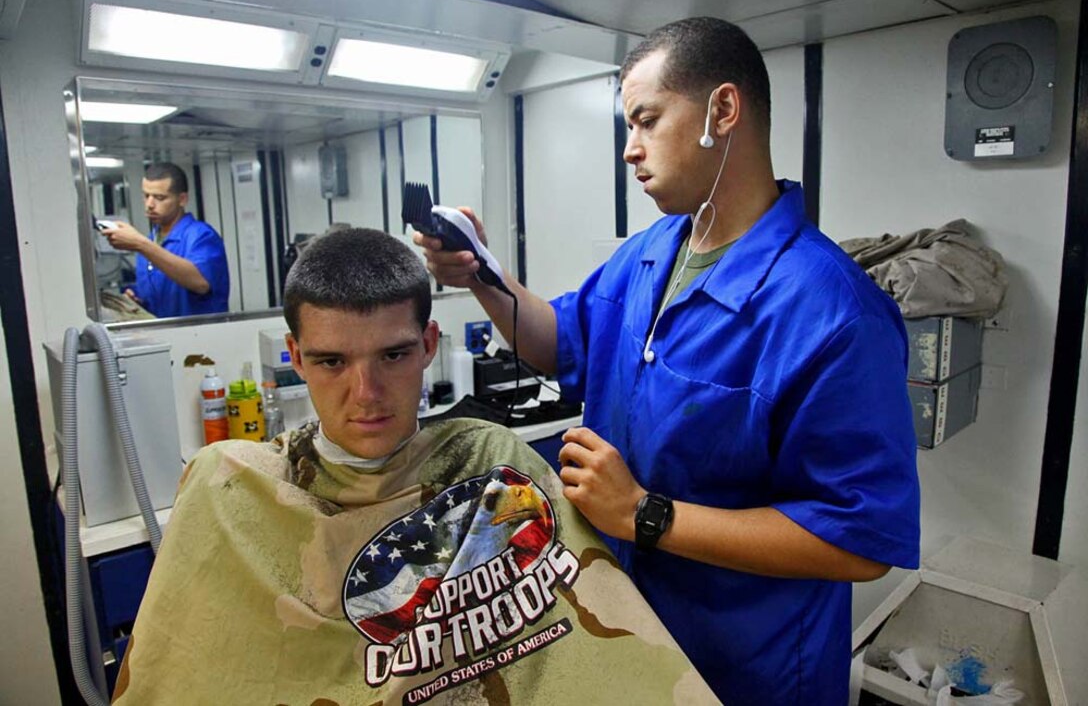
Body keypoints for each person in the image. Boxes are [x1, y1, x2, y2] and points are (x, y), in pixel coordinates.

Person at [415, 17, 920, 704]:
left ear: (722, 111)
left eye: (646, 120)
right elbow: (557, 340)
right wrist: (481, 274)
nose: (630, 150)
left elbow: (859, 541)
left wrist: (646, 515)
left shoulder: (830, 312)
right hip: (630, 639)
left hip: (748, 672)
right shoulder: (654, 251)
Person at [113, 228, 715, 704]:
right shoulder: (231, 484)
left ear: (429, 344)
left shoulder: (489, 462)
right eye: (330, 362)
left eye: (393, 355)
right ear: (293, 356)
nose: (367, 392)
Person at [100, 162, 229, 317]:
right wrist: (135, 296)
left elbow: (200, 283)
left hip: (199, 335)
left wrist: (141, 245)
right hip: (162, 335)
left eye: (159, 198)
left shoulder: (201, 235)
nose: (149, 205)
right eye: (146, 196)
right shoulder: (151, 240)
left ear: (182, 199)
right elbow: (158, 292)